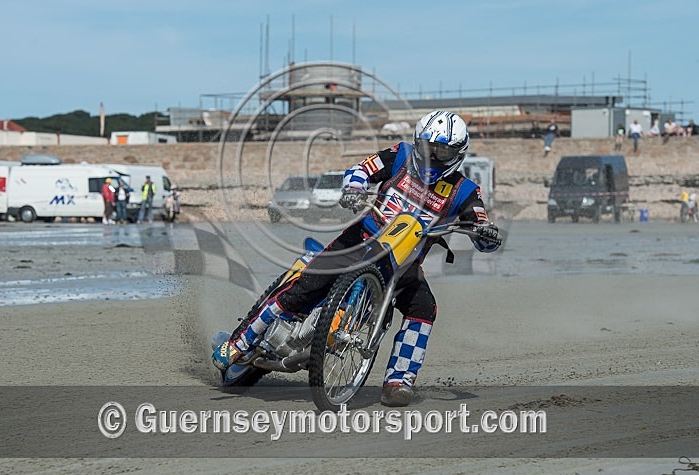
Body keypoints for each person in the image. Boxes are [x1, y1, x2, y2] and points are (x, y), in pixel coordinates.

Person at [212, 110, 501, 406]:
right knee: (305, 287)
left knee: (424, 308)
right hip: (359, 239)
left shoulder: (464, 190)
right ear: (418, 143)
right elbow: (363, 169)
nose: (433, 156)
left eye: (442, 151)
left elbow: (479, 222)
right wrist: (353, 187)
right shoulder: (400, 155)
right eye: (428, 148)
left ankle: (398, 382)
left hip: (404, 265)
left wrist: (486, 233)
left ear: (457, 153)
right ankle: (239, 343)